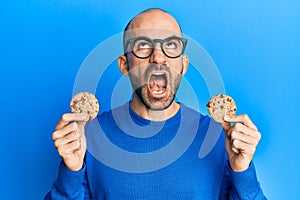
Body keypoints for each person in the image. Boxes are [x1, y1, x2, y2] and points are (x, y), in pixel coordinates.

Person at [45, 8, 267, 199]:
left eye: (171, 45)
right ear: (124, 65)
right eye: (142, 45)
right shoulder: (91, 135)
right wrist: (71, 172)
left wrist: (242, 171)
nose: (158, 57)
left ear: (183, 64)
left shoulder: (218, 137)